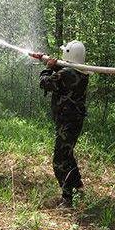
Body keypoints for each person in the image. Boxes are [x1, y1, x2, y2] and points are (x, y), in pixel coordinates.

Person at [33, 40, 90, 208]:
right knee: (68, 154)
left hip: (67, 122)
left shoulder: (67, 74)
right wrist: (48, 62)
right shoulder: (80, 72)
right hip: (73, 121)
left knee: (59, 161)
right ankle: (79, 187)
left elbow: (44, 82)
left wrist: (48, 67)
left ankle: (67, 199)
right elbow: (64, 76)